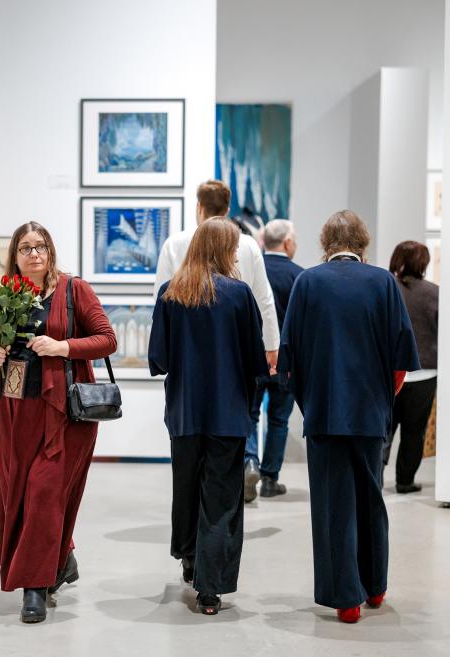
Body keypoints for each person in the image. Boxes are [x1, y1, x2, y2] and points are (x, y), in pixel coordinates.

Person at [278, 210, 420, 624]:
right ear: (362, 242)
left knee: (333, 505)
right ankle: (376, 587)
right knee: (371, 499)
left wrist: (309, 400)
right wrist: (381, 399)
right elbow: (401, 360)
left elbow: (290, 359)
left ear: (325, 242)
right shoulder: (383, 283)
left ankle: (347, 600)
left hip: (324, 411)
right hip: (370, 412)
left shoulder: (307, 282)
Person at [0, 221, 116, 624]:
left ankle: (33, 589)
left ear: (51, 252)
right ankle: (61, 557)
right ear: (15, 256)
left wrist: (63, 346)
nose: (34, 254)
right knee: (18, 497)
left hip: (64, 417)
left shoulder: (74, 291)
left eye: (40, 247)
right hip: (15, 413)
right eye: (25, 248)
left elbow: (107, 339)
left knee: (42, 495)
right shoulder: (5, 294)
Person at [148, 218, 268, 615]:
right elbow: (255, 359)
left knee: (186, 487)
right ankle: (210, 589)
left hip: (184, 411)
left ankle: (189, 558)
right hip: (228, 411)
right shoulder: (239, 295)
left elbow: (158, 358)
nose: (236, 254)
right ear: (223, 250)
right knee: (220, 497)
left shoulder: (170, 294)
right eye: (233, 248)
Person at [155, 179, 279, 503]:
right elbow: (263, 300)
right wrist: (271, 347)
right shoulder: (248, 245)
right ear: (227, 209)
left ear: (198, 206)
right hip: (233, 355)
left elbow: (161, 303)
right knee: (238, 420)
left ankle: (191, 530)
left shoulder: (174, 244)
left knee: (189, 452)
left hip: (187, 363)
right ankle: (246, 462)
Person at [246, 219, 304, 498]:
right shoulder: (300, 277)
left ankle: (248, 462)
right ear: (287, 243)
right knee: (279, 420)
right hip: (285, 361)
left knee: (250, 415)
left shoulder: (253, 271)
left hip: (252, 358)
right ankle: (270, 479)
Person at [384, 241, 439, 493]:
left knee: (383, 428)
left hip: (388, 372)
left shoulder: (385, 288)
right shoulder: (434, 293)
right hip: (425, 373)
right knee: (414, 432)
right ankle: (405, 481)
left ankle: (373, 475)